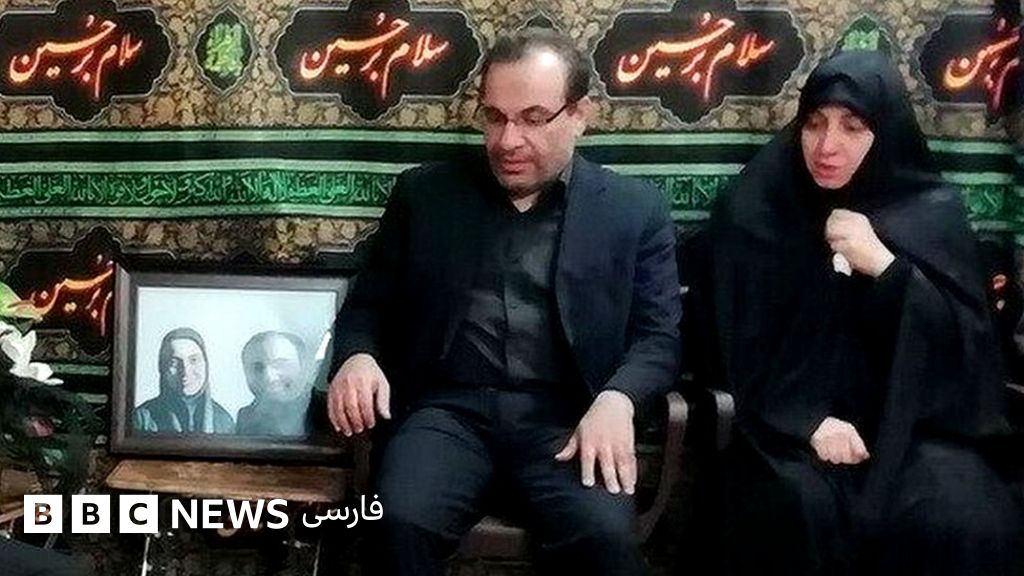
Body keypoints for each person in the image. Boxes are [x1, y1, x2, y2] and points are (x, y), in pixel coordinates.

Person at [327, 27, 681, 576]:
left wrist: (619, 399)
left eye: (533, 119)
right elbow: (367, 306)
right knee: (397, 521)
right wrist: (358, 356)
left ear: (580, 114)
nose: (508, 140)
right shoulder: (426, 196)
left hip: (568, 420)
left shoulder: (632, 210)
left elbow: (659, 338)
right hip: (448, 415)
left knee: (604, 539)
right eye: (495, 117)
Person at [705, 50, 1024, 576]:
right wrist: (806, 419)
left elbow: (968, 355)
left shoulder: (931, 213)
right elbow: (731, 340)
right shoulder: (759, 207)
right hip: (790, 430)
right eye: (815, 123)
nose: (827, 146)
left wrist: (888, 269)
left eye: (852, 128)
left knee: (961, 516)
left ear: (885, 131)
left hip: (920, 428)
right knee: (795, 506)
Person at [132, 327, 234, 434]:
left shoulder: (224, 421)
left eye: (194, 360)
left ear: (206, 365)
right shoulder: (143, 418)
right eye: (174, 363)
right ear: (162, 368)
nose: (185, 371)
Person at [236, 331, 314, 436]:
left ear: (304, 367)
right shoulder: (245, 418)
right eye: (257, 367)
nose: (269, 377)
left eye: (280, 364)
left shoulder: (332, 410)